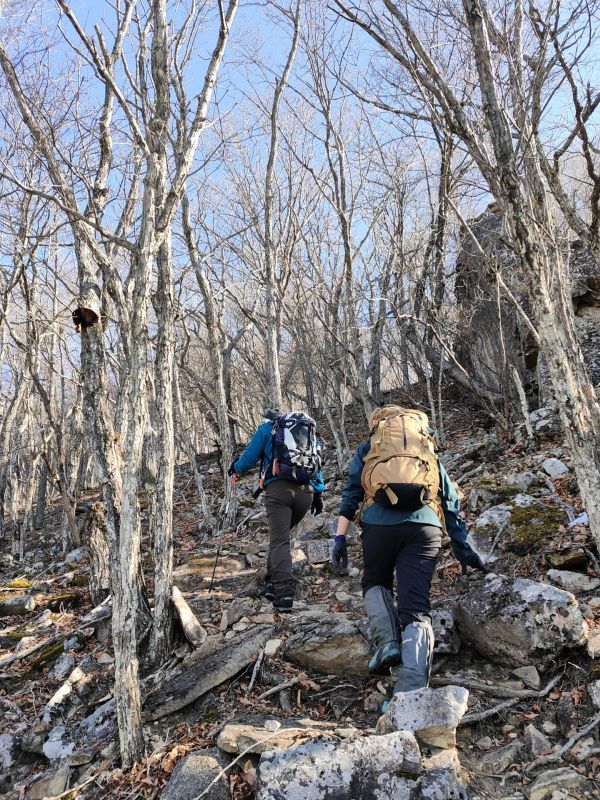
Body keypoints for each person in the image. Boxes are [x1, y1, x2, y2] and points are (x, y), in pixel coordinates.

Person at [332, 405, 488, 696]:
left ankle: (389, 643)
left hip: (378, 526)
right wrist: (462, 549)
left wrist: (339, 538)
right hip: (424, 528)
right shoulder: (425, 446)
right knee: (416, 609)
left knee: (375, 582)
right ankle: (411, 692)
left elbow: (352, 492)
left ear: (378, 423)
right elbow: (450, 499)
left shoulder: (370, 446)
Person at [229, 410, 325, 612]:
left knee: (279, 540)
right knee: (280, 538)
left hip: (279, 491)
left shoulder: (267, 429)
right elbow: (316, 462)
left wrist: (235, 469)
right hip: (306, 493)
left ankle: (283, 594)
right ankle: (271, 583)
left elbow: (249, 458)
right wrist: (319, 493)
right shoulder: (306, 432)